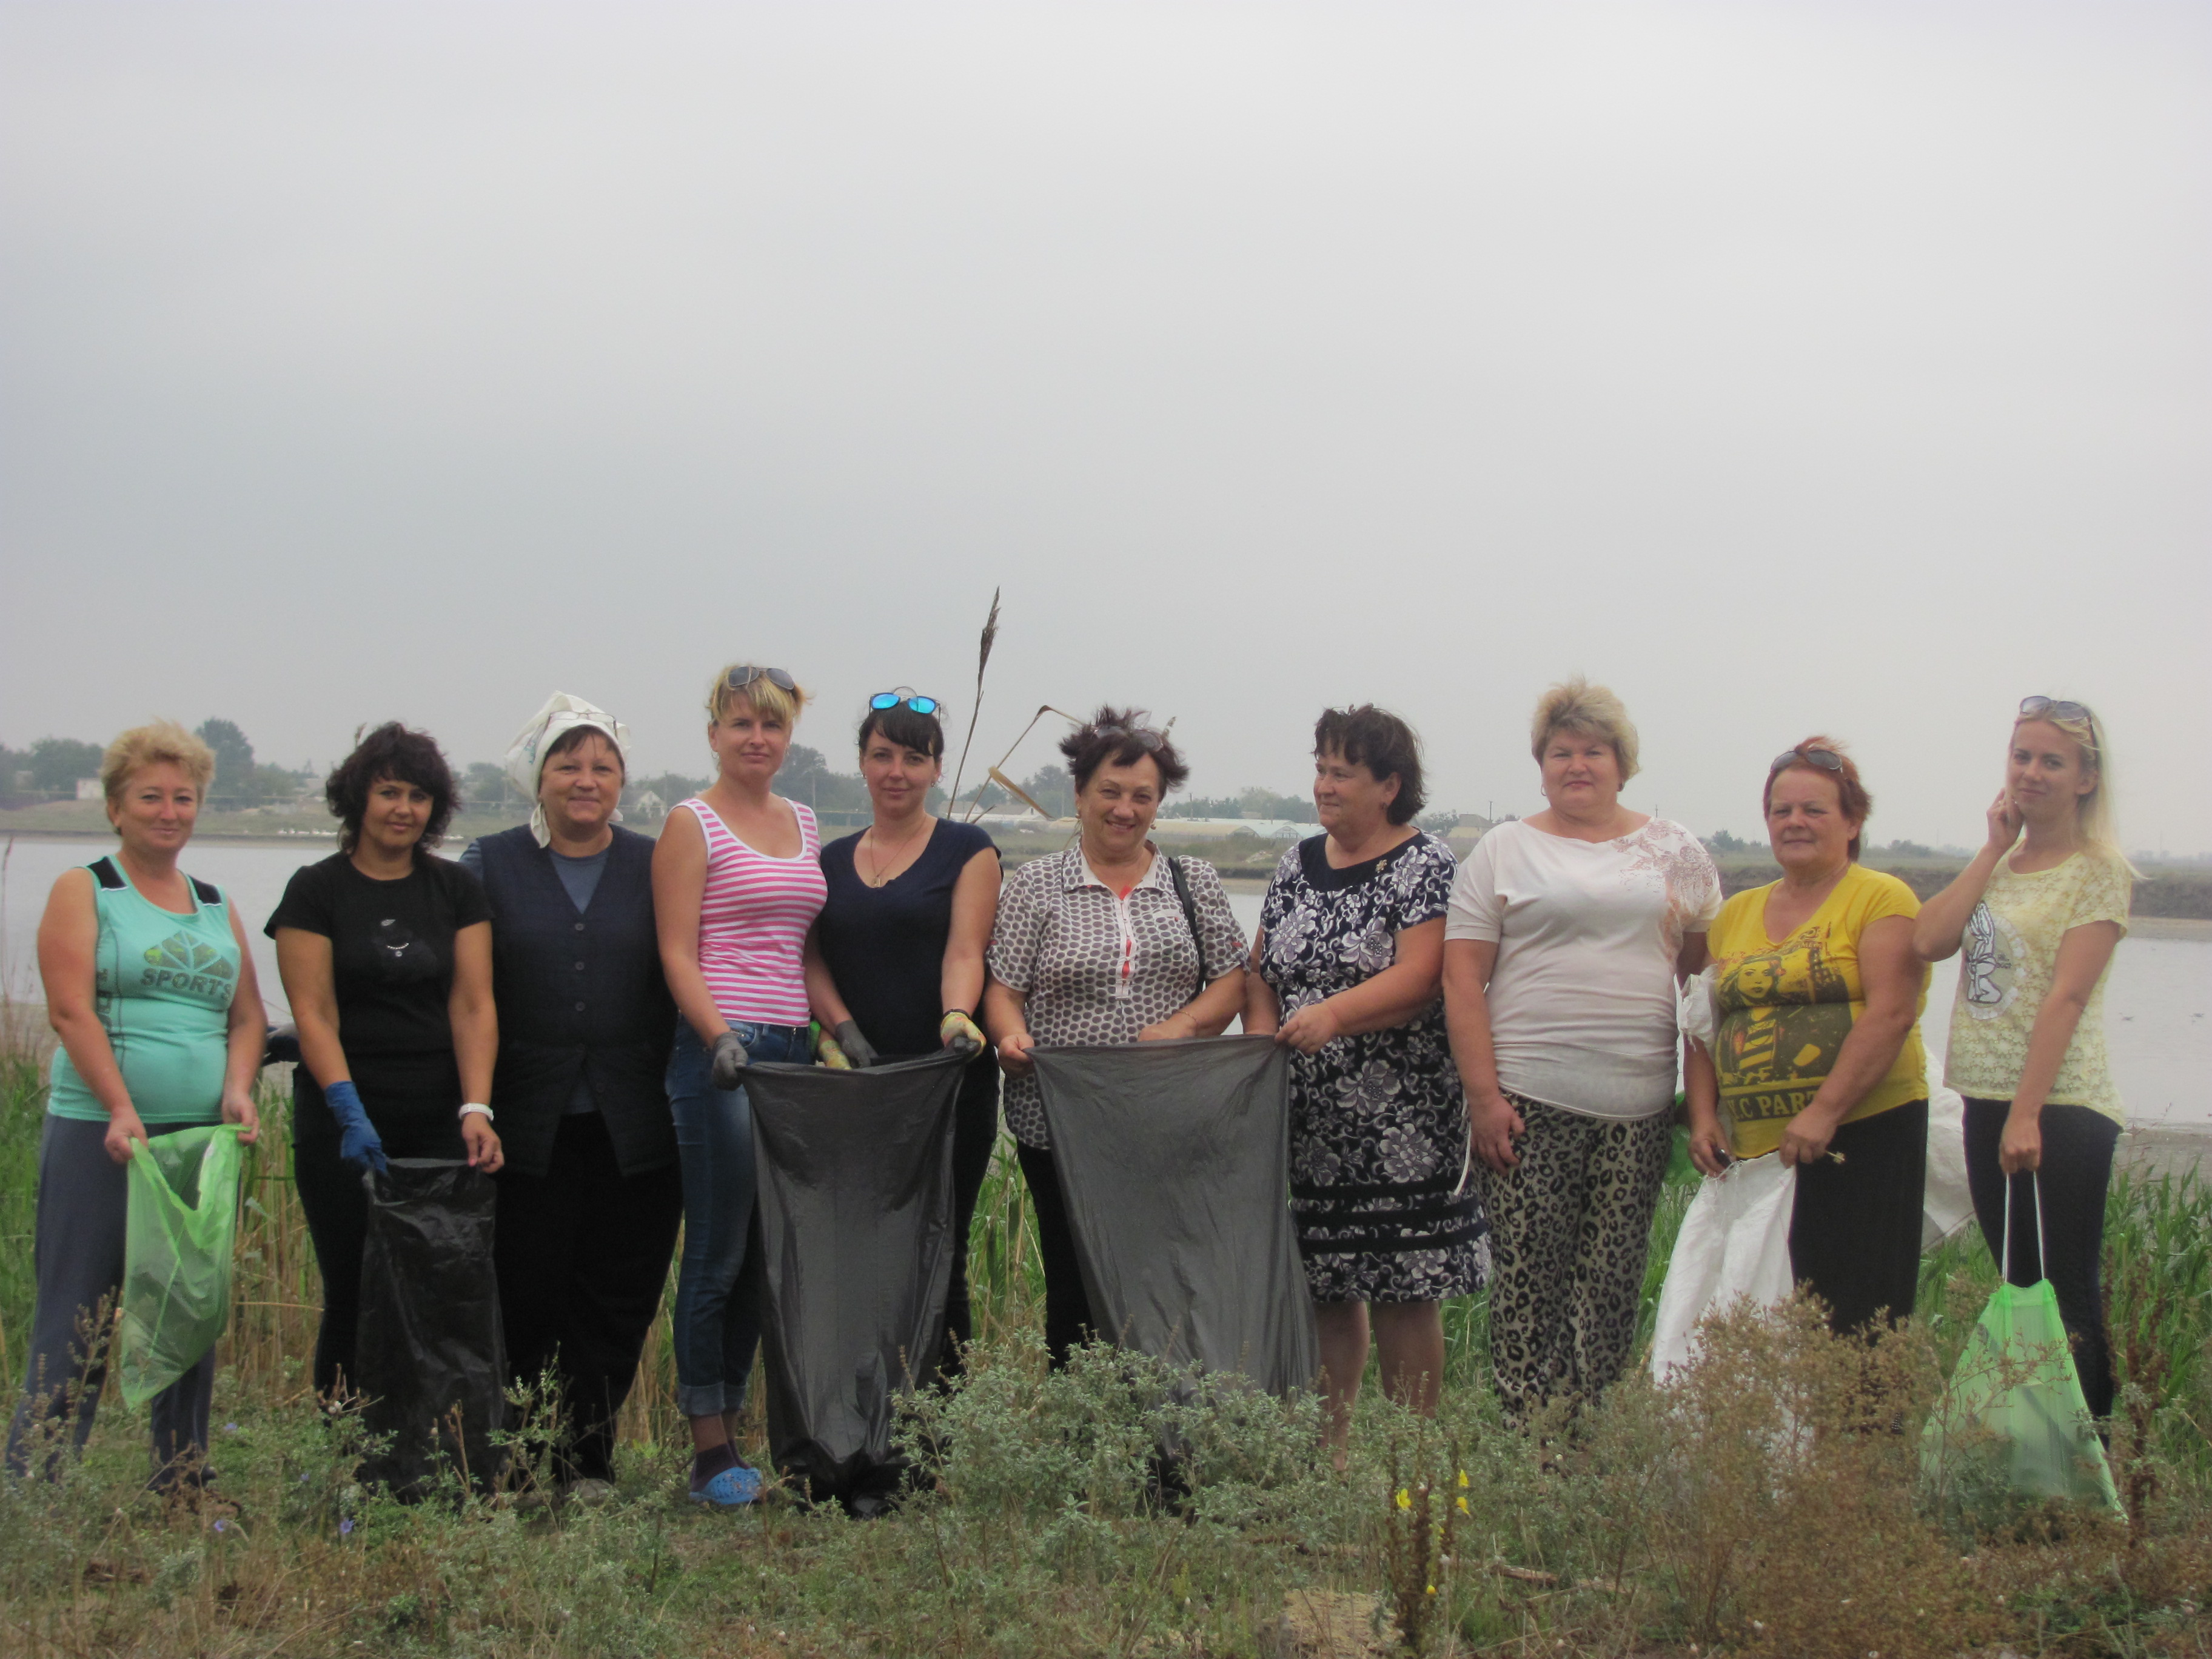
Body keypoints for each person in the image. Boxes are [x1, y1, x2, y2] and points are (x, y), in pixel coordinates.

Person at [1443, 679, 1720, 1418]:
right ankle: (1529, 1448)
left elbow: (1702, 982)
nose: (1577, 765)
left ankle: (1590, 1444)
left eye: (1593, 751)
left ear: (1622, 764)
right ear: (1540, 766)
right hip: (1527, 1099)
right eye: (1560, 752)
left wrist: (1705, 1103)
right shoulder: (1504, 849)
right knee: (1530, 1283)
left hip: (1638, 1102)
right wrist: (1484, 1100)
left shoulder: (1675, 850)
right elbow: (1462, 980)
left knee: (1610, 1285)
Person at [6, 723, 266, 1487]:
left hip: (197, 1144)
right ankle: (37, 1487)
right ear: (116, 808)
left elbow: (248, 1015)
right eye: (149, 797)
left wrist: (239, 1089)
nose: (168, 811)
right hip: (103, 1135)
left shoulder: (216, 904)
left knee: (188, 1312)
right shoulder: (86, 889)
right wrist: (121, 1107)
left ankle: (181, 1477)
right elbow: (69, 1010)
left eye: (183, 798)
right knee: (77, 1314)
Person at [460, 694, 681, 1500]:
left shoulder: (656, 862)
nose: (585, 782)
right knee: (525, 1294)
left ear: (622, 780)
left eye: (602, 768)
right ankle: (514, 1457)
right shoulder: (488, 863)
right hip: (526, 1124)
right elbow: (467, 993)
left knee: (617, 1298)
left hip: (637, 1122)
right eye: (567, 765)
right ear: (537, 777)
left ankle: (585, 1457)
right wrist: (472, 1103)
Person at [1245, 706, 1480, 1457]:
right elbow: (1261, 974)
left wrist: (1334, 1017)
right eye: (1320, 769)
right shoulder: (1292, 864)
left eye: (1341, 773)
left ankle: (1409, 1458)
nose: (1324, 786)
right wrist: (1258, 1048)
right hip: (1309, 1120)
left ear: (1390, 786)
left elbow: (1422, 978)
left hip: (1404, 1122)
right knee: (1326, 1282)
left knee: (1406, 1288)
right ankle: (1329, 1451)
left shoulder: (1425, 865)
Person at [982, 707, 1248, 1367]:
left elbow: (1232, 983)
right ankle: (1085, 1451)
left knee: (1166, 1282)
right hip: (1060, 1125)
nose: (1124, 809)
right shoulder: (1036, 886)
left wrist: (1182, 1027)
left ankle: (1166, 1449)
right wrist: (1011, 1041)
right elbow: (1003, 991)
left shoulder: (1195, 883)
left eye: (1142, 796)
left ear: (1158, 804)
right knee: (1075, 1289)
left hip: (1166, 1123)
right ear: (1079, 795)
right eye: (1110, 791)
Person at [1911, 698, 2131, 1418]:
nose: (2031, 773)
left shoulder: (2098, 871)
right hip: (1982, 1096)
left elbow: (2066, 999)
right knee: (2016, 1282)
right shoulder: (2002, 864)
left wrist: (2027, 1115)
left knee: (2065, 1289)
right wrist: (1989, 851)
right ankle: (2036, 1457)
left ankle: (2094, 1458)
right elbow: (1928, 942)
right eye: (2022, 757)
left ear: (2086, 779)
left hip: (2060, 1109)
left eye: (2052, 762)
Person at [269, 722, 501, 1400]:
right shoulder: (315, 891)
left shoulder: (456, 890)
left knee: (436, 1289)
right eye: (390, 792)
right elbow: (313, 1014)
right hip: (344, 1124)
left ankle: (428, 1452)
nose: (404, 809)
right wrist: (346, 1108)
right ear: (358, 798)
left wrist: (477, 1106)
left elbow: (473, 1005)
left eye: (420, 796)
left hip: (437, 1122)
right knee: (352, 1285)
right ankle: (346, 1453)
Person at [652, 663, 827, 1506]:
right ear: (715, 733)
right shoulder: (692, 822)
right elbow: (677, 951)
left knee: (766, 1253)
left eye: (772, 725)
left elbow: (805, 948)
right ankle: (708, 1451)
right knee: (717, 1252)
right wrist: (719, 1036)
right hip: (722, 1053)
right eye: (741, 724)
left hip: (793, 1052)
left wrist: (843, 1031)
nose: (757, 738)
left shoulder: (805, 820)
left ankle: (742, 1437)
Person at [1687, 737, 1929, 1337]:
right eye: (1781, 811)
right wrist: (1702, 1116)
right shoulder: (1734, 914)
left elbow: (1891, 1014)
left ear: (1852, 821)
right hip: (1760, 1155)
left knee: (1857, 1321)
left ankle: (1865, 1435)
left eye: (1814, 810)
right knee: (1764, 1322)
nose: (1794, 822)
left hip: (1861, 1138)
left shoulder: (1882, 897)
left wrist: (1824, 1111)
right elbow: (1701, 1026)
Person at [806, 688, 1000, 1376]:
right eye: (882, 755)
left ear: (937, 770)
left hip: (947, 1081)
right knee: (862, 1248)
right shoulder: (828, 861)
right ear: (860, 763)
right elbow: (811, 959)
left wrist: (956, 1016)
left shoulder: (967, 849)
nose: (897, 771)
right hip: (855, 1087)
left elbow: (964, 950)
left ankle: (938, 1432)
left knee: (937, 1245)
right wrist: (837, 1034)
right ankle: (863, 1408)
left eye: (914, 758)